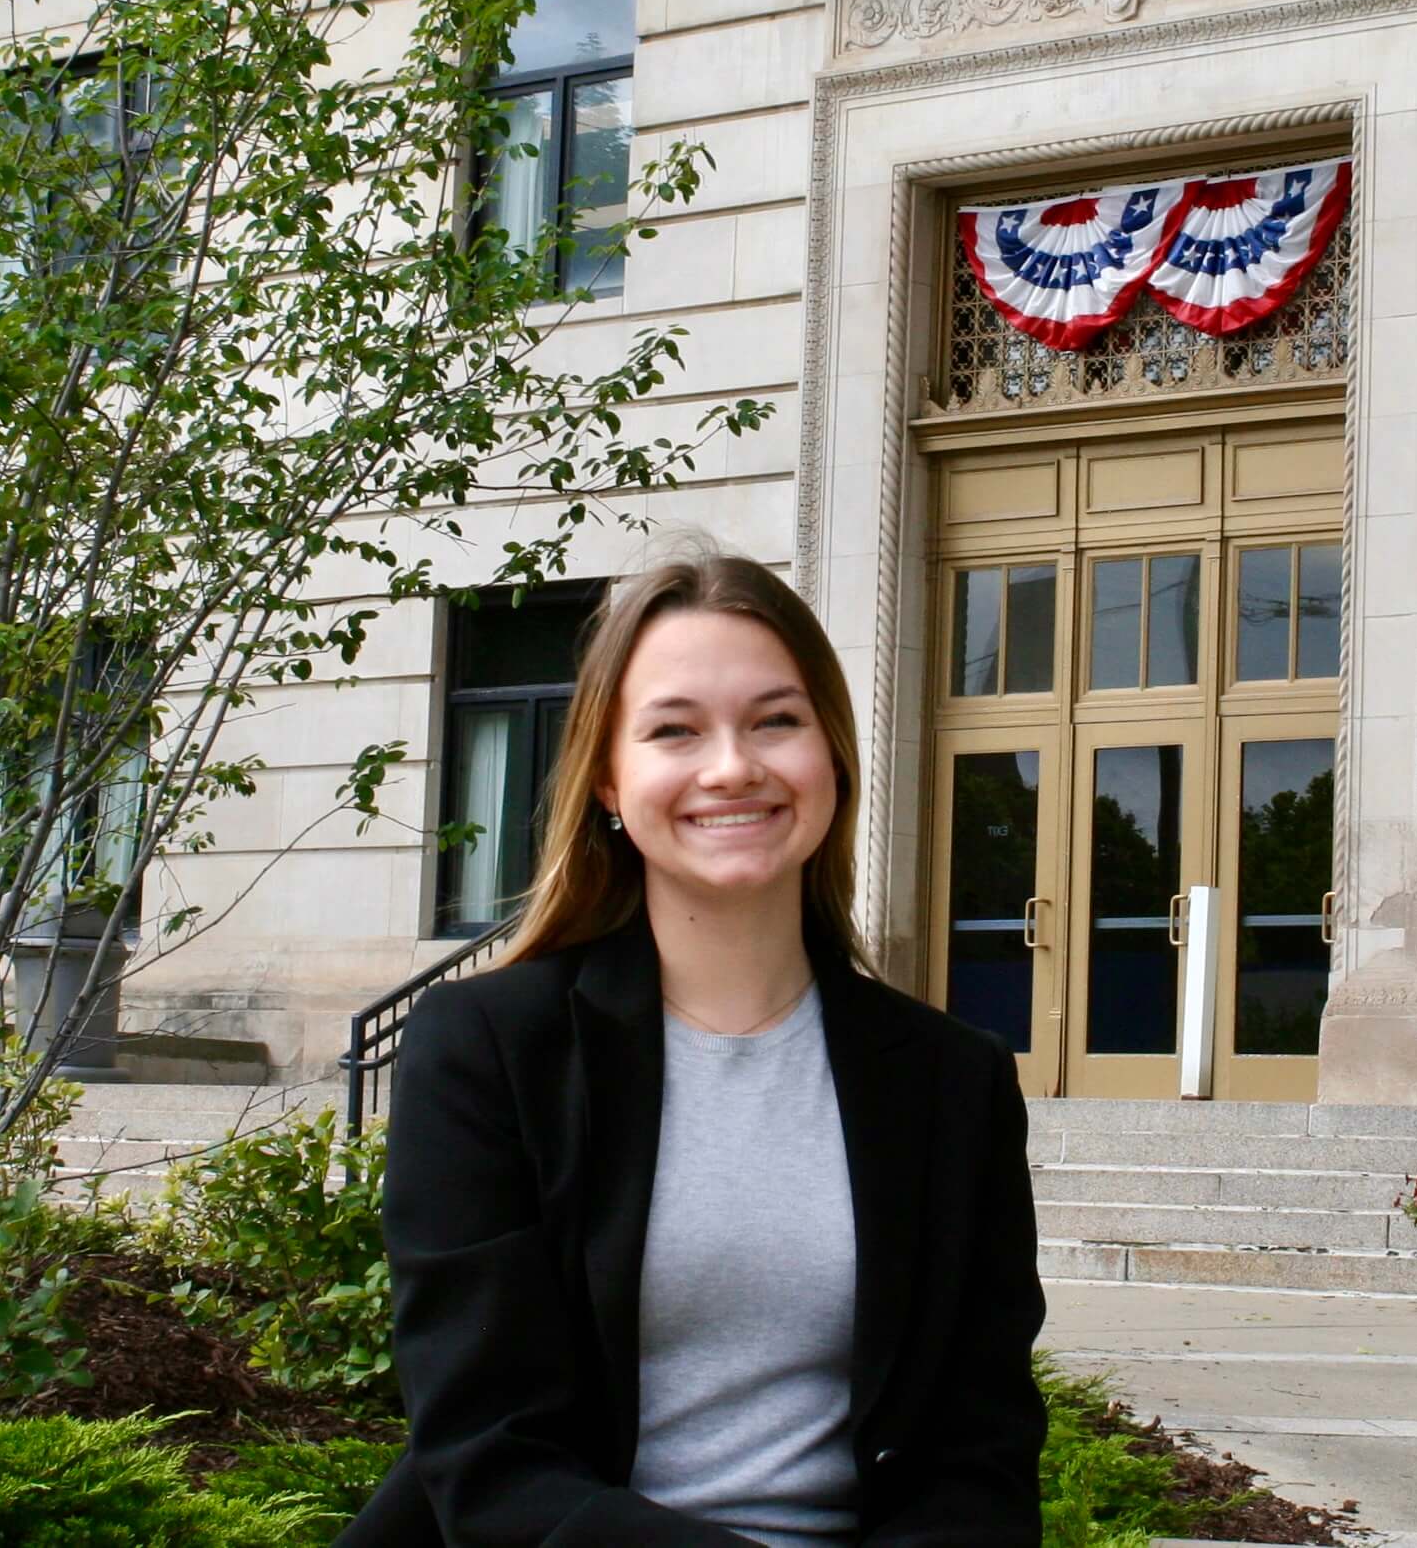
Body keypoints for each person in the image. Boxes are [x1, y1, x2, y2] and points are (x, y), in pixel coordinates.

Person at [337, 551, 1045, 1547]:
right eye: (674, 729)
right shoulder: (489, 1051)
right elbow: (491, 1459)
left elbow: (978, 1456)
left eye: (775, 720)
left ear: (832, 755)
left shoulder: (953, 1082)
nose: (732, 766)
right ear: (607, 783)